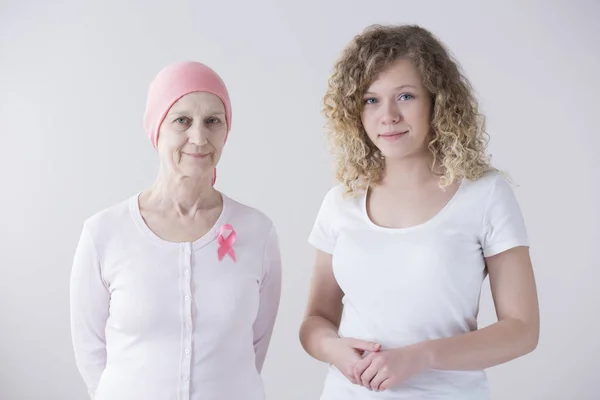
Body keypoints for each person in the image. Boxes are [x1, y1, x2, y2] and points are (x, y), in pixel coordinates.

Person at [299, 24, 539, 399]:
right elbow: (315, 321)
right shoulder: (340, 202)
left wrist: (421, 357)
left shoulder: (485, 194)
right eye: (370, 100)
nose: (388, 115)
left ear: (437, 101)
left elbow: (522, 329)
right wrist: (335, 350)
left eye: (406, 96)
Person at [69, 61, 282, 400]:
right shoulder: (104, 233)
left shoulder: (257, 232)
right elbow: (90, 349)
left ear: (226, 130)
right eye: (182, 120)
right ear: (157, 128)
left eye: (213, 121)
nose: (199, 137)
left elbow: (255, 343)